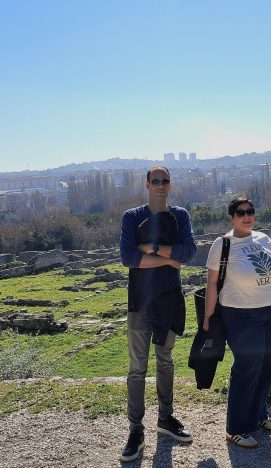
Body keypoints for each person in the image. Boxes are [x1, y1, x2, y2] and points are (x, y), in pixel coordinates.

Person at [119, 166, 197, 462]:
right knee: (137, 367)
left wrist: (150, 248)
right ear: (147, 185)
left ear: (170, 185)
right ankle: (136, 430)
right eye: (155, 181)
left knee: (165, 362)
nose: (161, 185)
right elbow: (128, 257)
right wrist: (169, 258)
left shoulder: (180, 215)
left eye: (165, 181)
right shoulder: (132, 217)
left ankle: (166, 418)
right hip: (140, 302)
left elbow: (188, 253)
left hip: (169, 301)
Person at [203, 198, 271, 449]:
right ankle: (236, 428)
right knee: (247, 367)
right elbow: (212, 283)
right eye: (240, 213)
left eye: (250, 211)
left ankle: (259, 415)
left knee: (267, 365)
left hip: (269, 312)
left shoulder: (264, 239)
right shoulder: (223, 244)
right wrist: (208, 316)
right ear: (231, 217)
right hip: (240, 314)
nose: (246, 216)